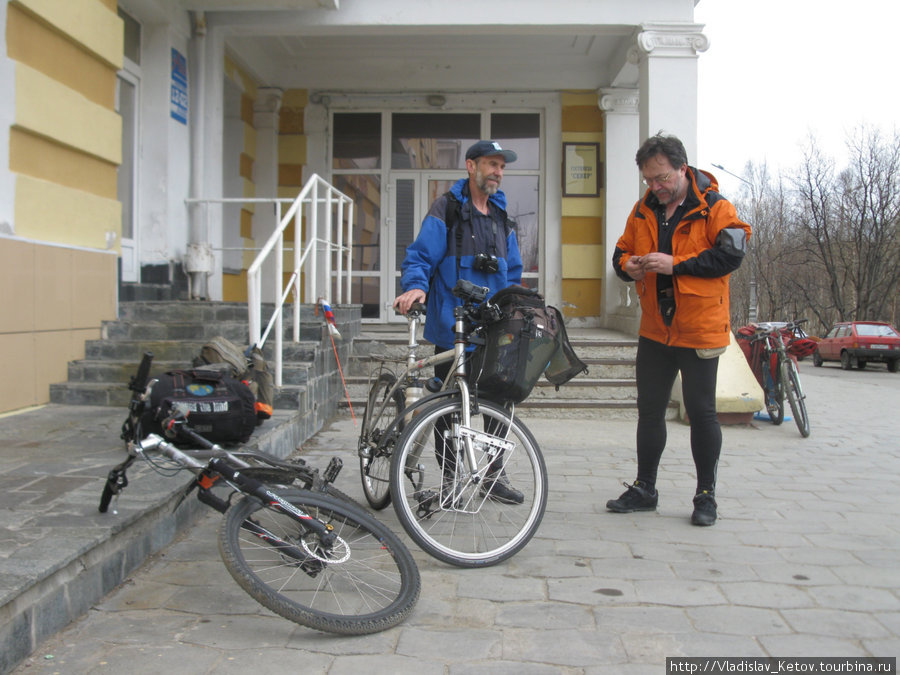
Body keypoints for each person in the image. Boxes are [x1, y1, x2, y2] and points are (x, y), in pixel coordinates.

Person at [607, 132, 751, 526]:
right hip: (655, 329)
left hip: (700, 329)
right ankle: (644, 488)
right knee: (649, 412)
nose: (656, 186)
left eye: (662, 178)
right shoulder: (642, 210)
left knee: (702, 413)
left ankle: (706, 497)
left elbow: (731, 255)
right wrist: (628, 266)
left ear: (682, 169)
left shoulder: (716, 207)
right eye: (649, 180)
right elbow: (620, 252)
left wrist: (677, 264)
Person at [393, 139, 524, 504]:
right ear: (471, 166)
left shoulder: (502, 217)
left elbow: (512, 271)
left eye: (501, 166)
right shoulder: (447, 208)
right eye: (491, 164)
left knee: (499, 400)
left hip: (492, 326)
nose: (497, 172)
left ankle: (493, 474)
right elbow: (420, 255)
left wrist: (518, 303)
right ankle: (452, 480)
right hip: (452, 325)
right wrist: (415, 287)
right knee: (447, 406)